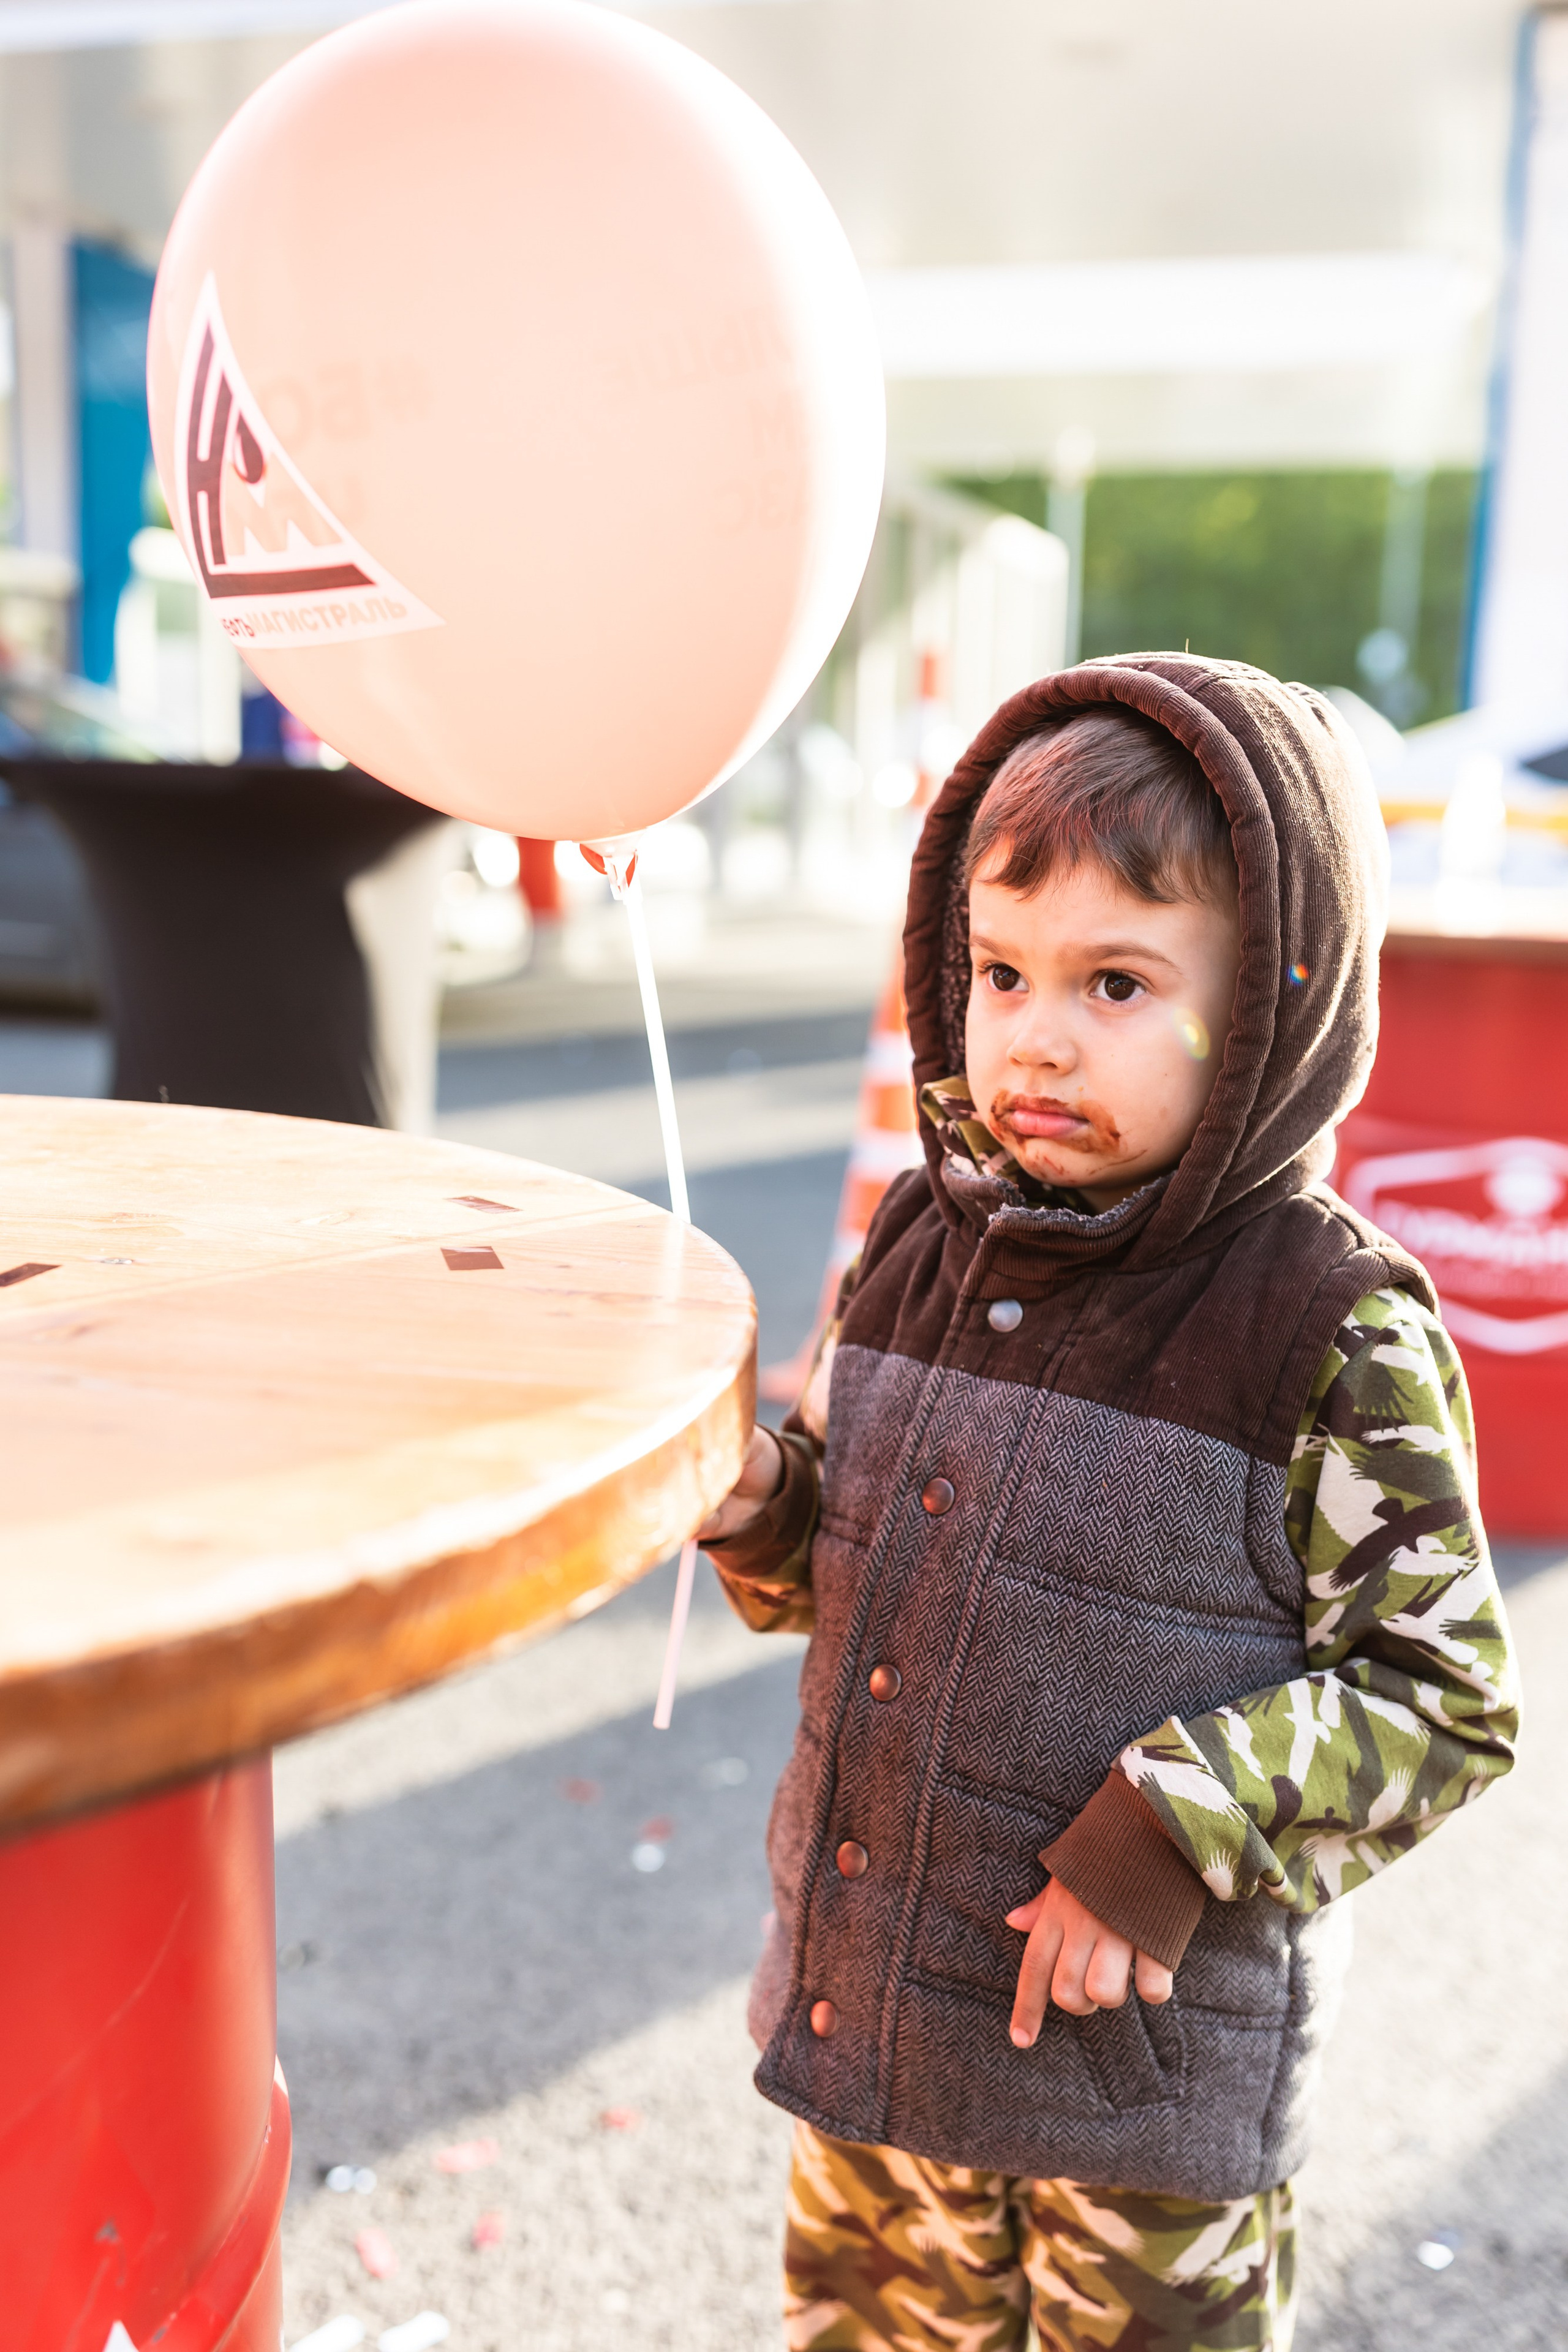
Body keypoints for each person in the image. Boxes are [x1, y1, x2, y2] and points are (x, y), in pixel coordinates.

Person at [698, 655, 1519, 2352]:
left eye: (1118, 983)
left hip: (1134, 2119)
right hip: (874, 2040)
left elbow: (1441, 1700)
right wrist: (755, 1498)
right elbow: (834, 1573)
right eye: (1001, 972)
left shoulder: (1332, 1328)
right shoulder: (920, 1242)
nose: (1037, 1036)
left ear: (1277, 1000)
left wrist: (1171, 1823)